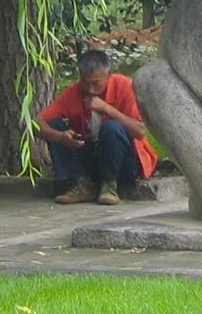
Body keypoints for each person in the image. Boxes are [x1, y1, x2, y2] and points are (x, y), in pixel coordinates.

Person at [35, 50, 158, 205]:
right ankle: (80, 182)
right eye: (86, 83)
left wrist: (107, 108)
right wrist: (60, 137)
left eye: (96, 83)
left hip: (126, 161)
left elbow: (139, 131)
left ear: (109, 75)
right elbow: (37, 124)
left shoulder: (125, 86)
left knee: (111, 128)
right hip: (94, 157)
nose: (91, 89)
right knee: (55, 126)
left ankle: (109, 185)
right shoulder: (74, 92)